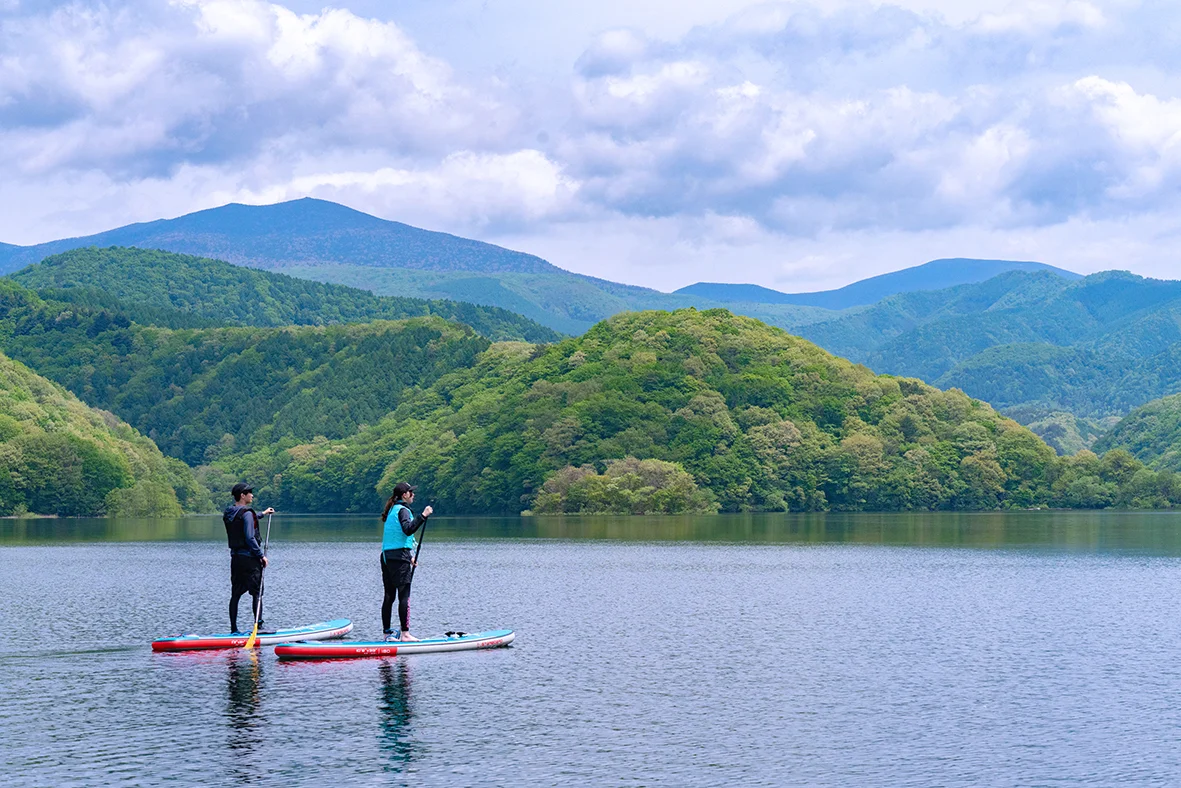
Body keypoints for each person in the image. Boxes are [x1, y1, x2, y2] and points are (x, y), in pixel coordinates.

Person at [380, 482, 433, 641]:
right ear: (404, 495)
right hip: (398, 558)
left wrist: (410, 556)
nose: (413, 495)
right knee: (404, 596)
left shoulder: (392, 510)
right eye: (411, 492)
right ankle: (405, 634)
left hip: (386, 557)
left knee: (389, 596)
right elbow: (408, 529)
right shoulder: (403, 510)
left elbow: (397, 537)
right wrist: (423, 516)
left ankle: (387, 633)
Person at [223, 483, 275, 634]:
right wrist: (261, 556)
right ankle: (258, 627)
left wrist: (263, 513)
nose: (252, 495)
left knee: (235, 594)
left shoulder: (229, 513)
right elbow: (249, 537)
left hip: (236, 559)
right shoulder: (246, 513)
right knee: (257, 592)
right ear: (242, 495)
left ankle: (233, 628)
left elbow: (246, 518)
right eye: (249, 493)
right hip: (250, 559)